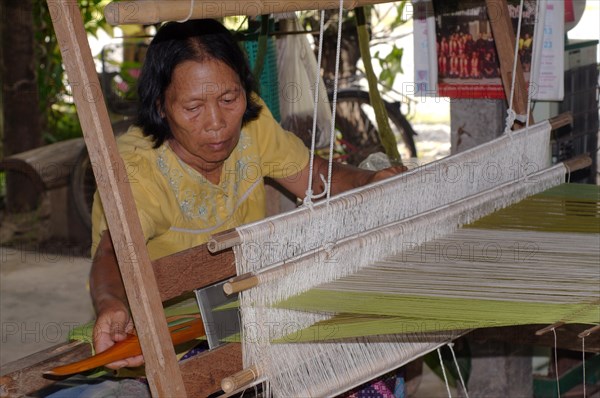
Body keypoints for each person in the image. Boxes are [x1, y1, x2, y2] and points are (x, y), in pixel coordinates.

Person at [89, 18, 406, 372]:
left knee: (369, 372)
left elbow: (315, 178)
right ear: (161, 106)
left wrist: (371, 181)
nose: (216, 122)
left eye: (229, 98)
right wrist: (110, 302)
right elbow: (114, 252)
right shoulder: (137, 170)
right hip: (176, 341)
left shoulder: (252, 128)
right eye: (193, 108)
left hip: (249, 317)